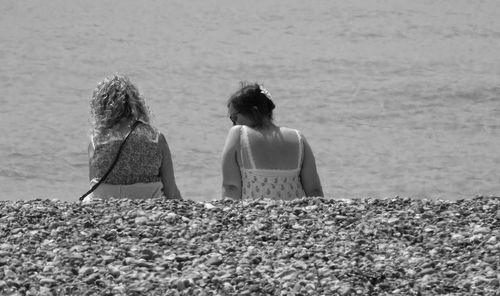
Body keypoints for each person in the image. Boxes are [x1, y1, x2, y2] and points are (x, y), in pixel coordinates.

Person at [221, 82, 323, 200]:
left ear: (253, 111)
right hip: (292, 214)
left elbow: (231, 187)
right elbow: (314, 189)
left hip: (255, 213)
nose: (233, 123)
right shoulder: (298, 137)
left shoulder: (238, 134)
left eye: (234, 117)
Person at [87, 74, 181, 200]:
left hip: (105, 202)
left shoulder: (96, 141)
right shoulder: (155, 138)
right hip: (150, 201)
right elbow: (171, 192)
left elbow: (94, 185)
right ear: (136, 104)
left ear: (101, 107)